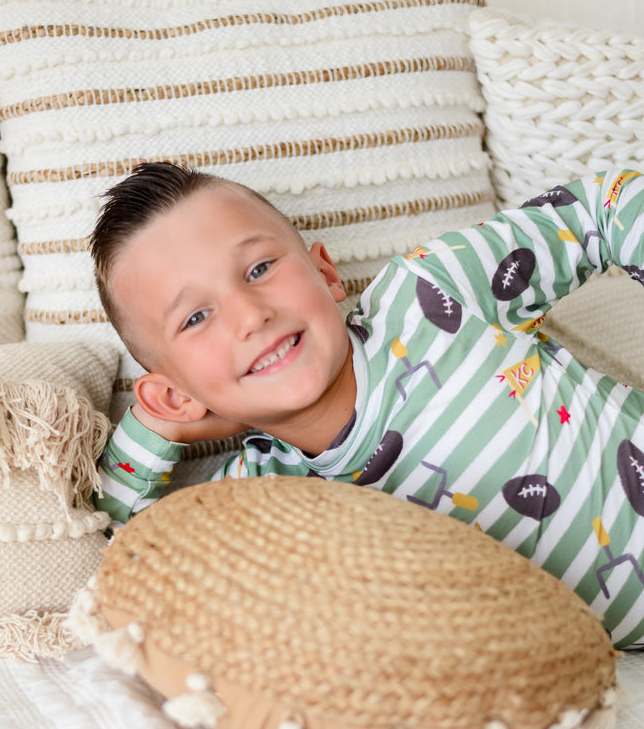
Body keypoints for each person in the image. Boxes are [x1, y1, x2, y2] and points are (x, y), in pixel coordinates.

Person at [91, 161, 644, 648]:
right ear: (177, 392)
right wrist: (155, 427)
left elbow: (604, 205)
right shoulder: (264, 495)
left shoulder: (426, 297)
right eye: (195, 317)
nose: (250, 315)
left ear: (326, 273)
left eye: (259, 270)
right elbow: (134, 554)